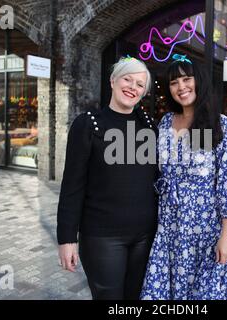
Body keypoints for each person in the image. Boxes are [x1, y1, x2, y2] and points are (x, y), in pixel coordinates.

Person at [140, 55, 227, 300]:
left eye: (187, 79)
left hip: (206, 230)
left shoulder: (217, 124)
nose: (181, 87)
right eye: (174, 82)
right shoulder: (165, 122)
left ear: (199, 81)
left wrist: (226, 236)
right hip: (169, 228)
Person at [57, 56, 158, 300]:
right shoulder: (88, 124)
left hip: (145, 236)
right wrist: (67, 238)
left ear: (143, 93)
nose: (132, 87)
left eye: (139, 84)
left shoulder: (150, 127)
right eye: (127, 79)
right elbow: (72, 186)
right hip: (103, 237)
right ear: (113, 80)